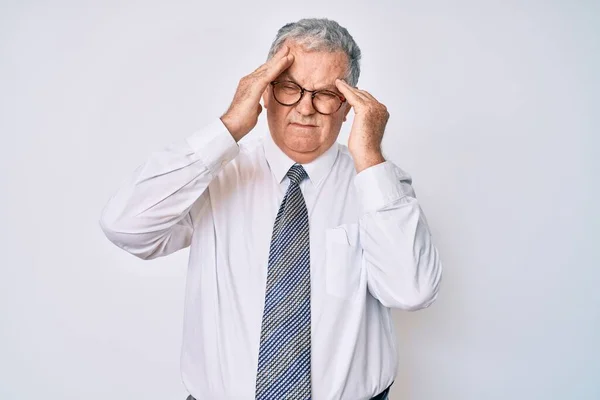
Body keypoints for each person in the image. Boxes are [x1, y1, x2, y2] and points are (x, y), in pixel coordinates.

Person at [100, 17, 442, 400]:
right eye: (289, 87)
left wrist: (371, 158)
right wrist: (229, 127)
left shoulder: (379, 184)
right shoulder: (216, 175)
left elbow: (412, 292)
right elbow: (125, 226)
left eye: (327, 94)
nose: (306, 108)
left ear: (349, 107)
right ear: (264, 90)